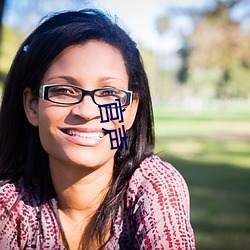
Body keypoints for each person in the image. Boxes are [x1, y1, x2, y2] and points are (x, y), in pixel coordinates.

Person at [0, 9, 195, 250]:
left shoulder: (155, 186)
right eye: (64, 90)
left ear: (131, 110)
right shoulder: (9, 206)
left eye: (109, 93)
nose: (87, 110)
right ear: (32, 106)